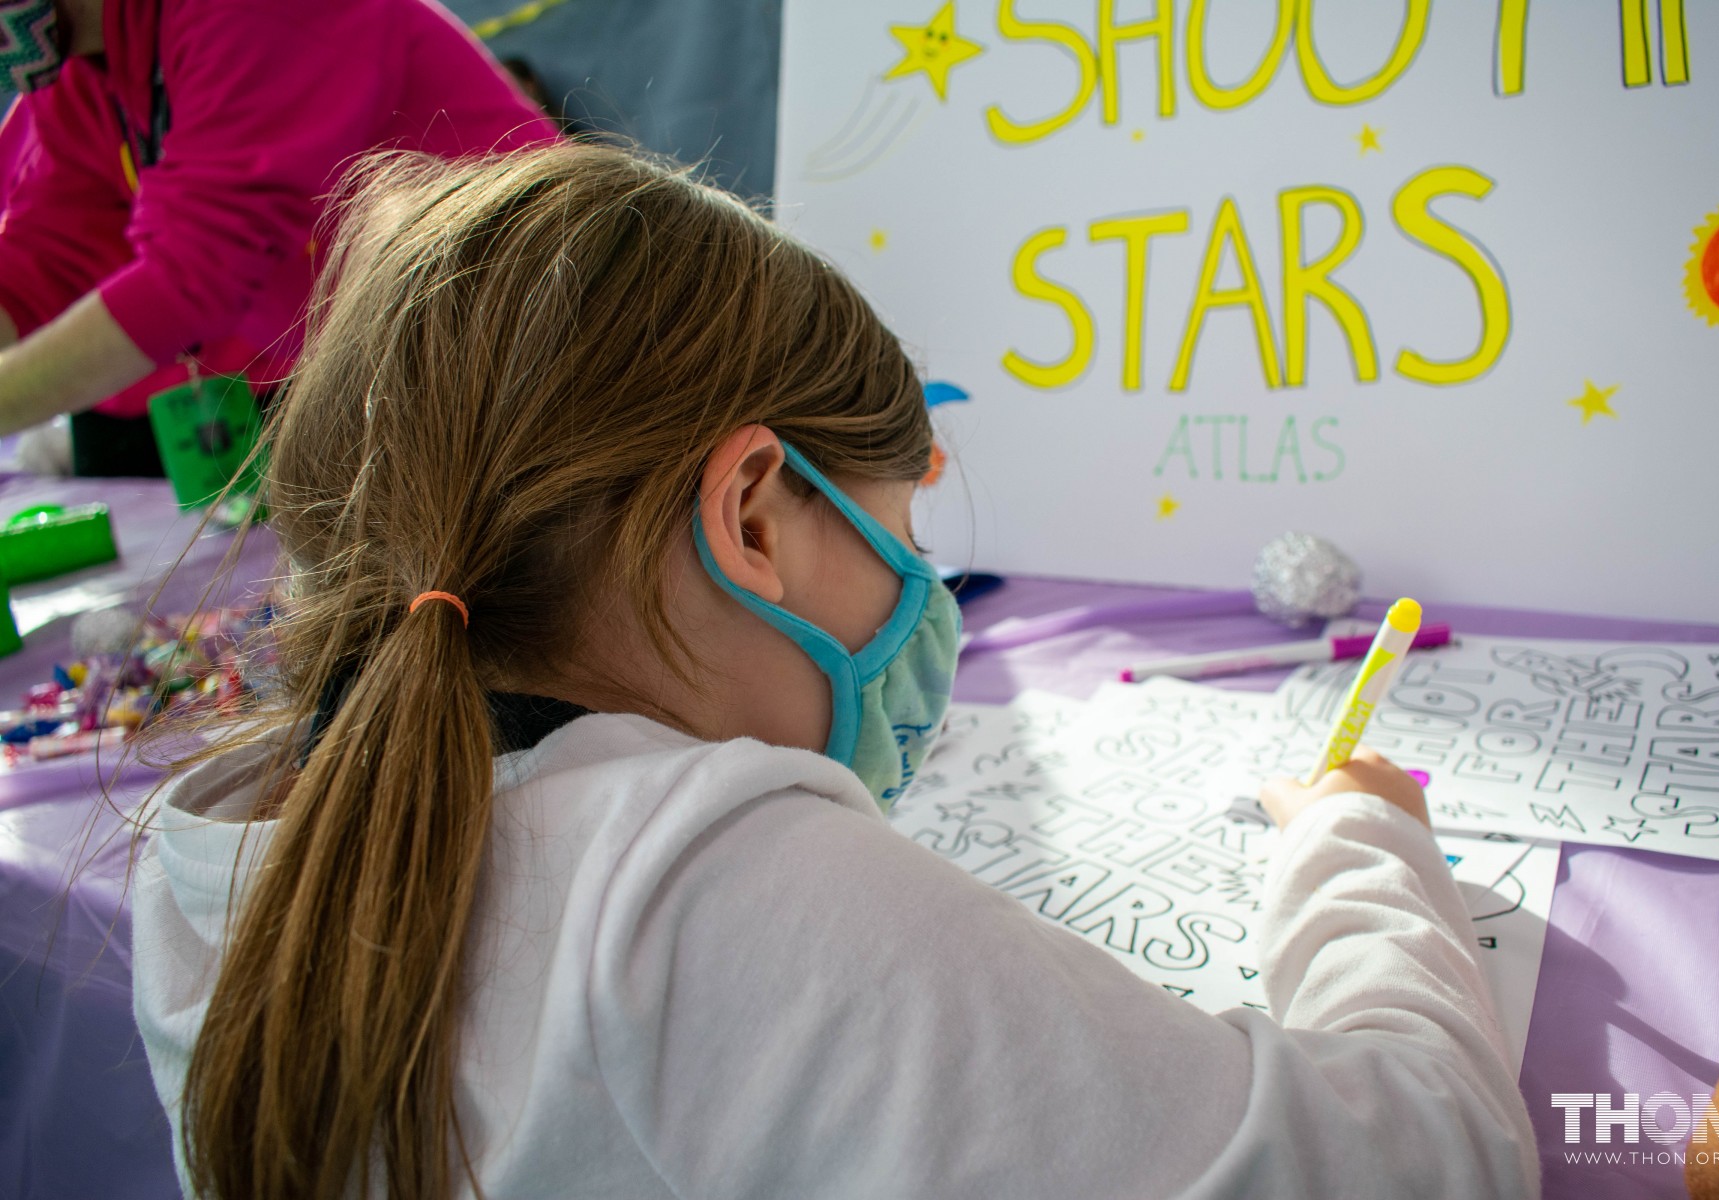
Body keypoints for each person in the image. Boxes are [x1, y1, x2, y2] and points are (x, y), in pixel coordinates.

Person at [129, 143, 1540, 1199]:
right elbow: (1422, 1162)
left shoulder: (224, 848)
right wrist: (1361, 849)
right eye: (901, 536)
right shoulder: (707, 889)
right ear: (753, 514)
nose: (921, 602)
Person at [0, 0, 559, 476]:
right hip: (415, 389)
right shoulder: (88, 72)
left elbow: (195, 271)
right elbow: (44, 261)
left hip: (535, 358)